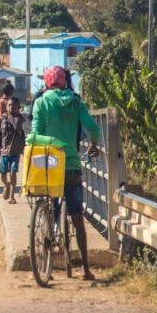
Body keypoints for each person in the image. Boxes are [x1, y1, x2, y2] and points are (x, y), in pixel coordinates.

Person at [31, 66, 102, 281]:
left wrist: (50, 143)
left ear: (46, 82)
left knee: (50, 205)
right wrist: (93, 146)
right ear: (64, 82)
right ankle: (86, 269)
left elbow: (35, 133)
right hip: (71, 164)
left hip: (49, 163)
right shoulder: (75, 101)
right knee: (77, 216)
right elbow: (94, 129)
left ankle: (47, 259)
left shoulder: (41, 102)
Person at [0, 97, 26, 204]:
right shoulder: (2, 119)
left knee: (13, 172)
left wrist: (8, 117)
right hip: (4, 151)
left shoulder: (19, 118)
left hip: (15, 151)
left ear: (18, 107)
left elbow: (16, 125)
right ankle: (7, 185)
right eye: (9, 105)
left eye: (13, 105)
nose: (10, 107)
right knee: (2, 175)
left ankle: (12, 196)